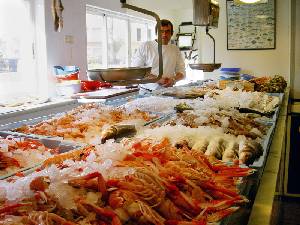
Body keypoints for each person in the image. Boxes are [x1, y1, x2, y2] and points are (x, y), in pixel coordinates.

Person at [131, 19, 186, 90]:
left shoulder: (175, 49)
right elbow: (137, 71)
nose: (164, 34)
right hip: (147, 93)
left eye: (167, 31)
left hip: (168, 92)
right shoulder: (146, 46)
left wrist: (174, 79)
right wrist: (157, 79)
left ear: (171, 33)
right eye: (161, 31)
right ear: (156, 33)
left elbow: (182, 71)